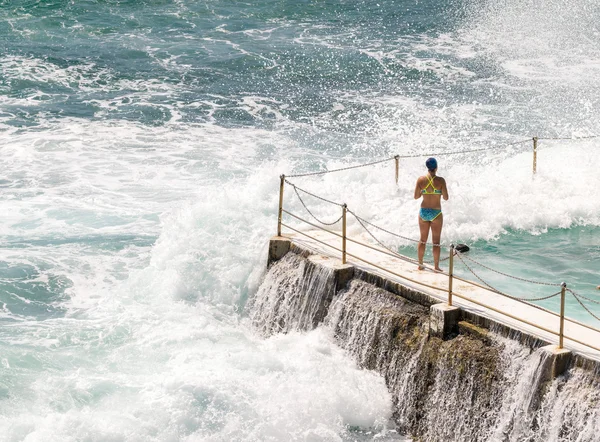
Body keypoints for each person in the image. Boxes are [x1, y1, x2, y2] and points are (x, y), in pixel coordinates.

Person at [413, 157, 449, 271]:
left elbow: (416, 196)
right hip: (436, 213)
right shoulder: (441, 181)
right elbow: (446, 197)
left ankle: (420, 264)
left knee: (422, 240)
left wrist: (424, 191)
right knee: (436, 242)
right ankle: (436, 267)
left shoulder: (420, 180)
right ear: (436, 167)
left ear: (427, 167)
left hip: (423, 212)